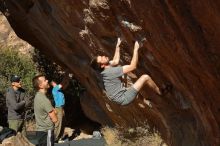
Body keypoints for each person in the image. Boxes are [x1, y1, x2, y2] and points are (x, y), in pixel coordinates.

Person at [90, 38, 163, 105]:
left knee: (129, 79)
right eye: (101, 58)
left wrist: (117, 46)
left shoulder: (105, 68)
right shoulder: (111, 72)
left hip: (117, 97)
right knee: (145, 77)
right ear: (102, 65)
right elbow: (133, 66)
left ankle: (146, 101)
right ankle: (161, 92)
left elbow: (115, 61)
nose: (103, 56)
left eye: (101, 56)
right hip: (124, 98)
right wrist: (135, 49)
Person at [32, 75, 58, 146]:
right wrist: (55, 112)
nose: (47, 81)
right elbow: (55, 119)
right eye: (45, 80)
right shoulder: (44, 100)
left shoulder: (38, 96)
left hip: (41, 131)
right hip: (47, 131)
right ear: (40, 86)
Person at [50, 75, 69, 142]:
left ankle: (60, 137)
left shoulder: (59, 90)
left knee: (63, 122)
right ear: (53, 84)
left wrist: (68, 78)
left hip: (62, 108)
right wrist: (67, 75)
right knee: (58, 123)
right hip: (58, 108)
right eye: (55, 83)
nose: (56, 84)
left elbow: (65, 84)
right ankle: (55, 139)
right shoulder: (55, 89)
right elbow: (62, 84)